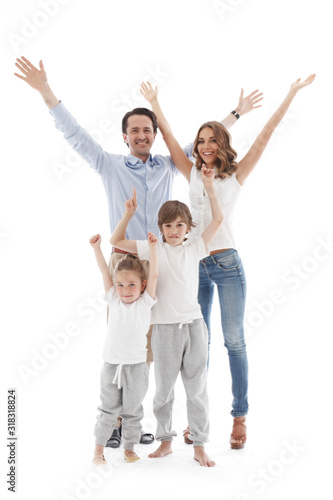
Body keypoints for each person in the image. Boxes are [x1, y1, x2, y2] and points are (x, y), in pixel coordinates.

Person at [14, 56, 261, 446]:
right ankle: (112, 422)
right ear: (125, 137)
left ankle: (134, 424)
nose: (143, 135)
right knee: (121, 344)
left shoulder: (165, 165)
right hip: (126, 262)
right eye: (136, 131)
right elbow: (76, 135)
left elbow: (201, 144)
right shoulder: (109, 165)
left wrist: (236, 114)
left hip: (161, 263)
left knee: (151, 350)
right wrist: (47, 92)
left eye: (148, 130)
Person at [140, 74, 316, 450]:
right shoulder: (189, 171)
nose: (204, 146)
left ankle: (239, 416)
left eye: (211, 140)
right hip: (193, 266)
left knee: (233, 341)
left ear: (222, 143)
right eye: (200, 141)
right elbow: (170, 138)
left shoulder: (236, 174)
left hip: (227, 263)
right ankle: (197, 423)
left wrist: (291, 94)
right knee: (196, 345)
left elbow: (266, 133)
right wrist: (155, 102)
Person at [110, 167, 223, 467]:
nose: (174, 231)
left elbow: (219, 220)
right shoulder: (152, 247)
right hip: (163, 329)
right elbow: (116, 241)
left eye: (180, 225)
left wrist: (209, 187)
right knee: (163, 388)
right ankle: (165, 442)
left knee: (197, 389)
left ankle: (200, 445)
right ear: (160, 227)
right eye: (168, 225)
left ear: (188, 228)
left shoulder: (196, 246)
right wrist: (128, 214)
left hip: (195, 326)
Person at [89, 230, 158, 465]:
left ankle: (129, 448)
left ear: (142, 285)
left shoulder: (145, 302)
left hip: (137, 367)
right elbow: (104, 272)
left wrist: (154, 249)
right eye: (120, 285)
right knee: (107, 409)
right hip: (112, 366)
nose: (125, 290)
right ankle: (98, 451)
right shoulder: (114, 299)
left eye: (131, 285)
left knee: (132, 410)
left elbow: (155, 274)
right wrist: (97, 249)